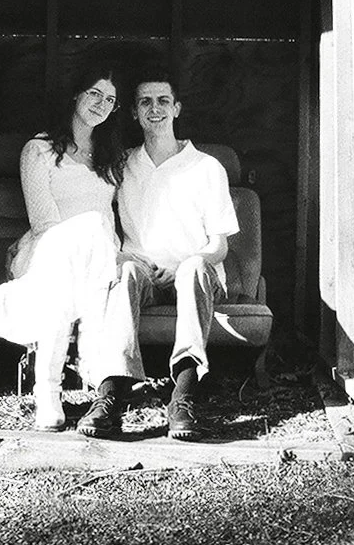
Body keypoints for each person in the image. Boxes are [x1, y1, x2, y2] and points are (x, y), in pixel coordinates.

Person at [77, 64, 239, 442]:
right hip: (144, 273)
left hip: (195, 274)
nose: (155, 108)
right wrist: (118, 256)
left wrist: (188, 263)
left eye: (163, 100)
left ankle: (183, 394)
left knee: (195, 267)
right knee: (126, 272)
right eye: (145, 102)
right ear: (133, 112)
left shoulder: (205, 167)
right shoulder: (122, 164)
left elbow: (220, 246)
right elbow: (97, 216)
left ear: (177, 108)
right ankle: (111, 394)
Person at [0, 61, 136, 431]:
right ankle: (62, 383)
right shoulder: (40, 150)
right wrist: (89, 241)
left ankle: (50, 388)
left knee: (94, 241)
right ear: (76, 94)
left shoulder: (111, 156)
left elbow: (117, 219)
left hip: (99, 258)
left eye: (110, 99)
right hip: (47, 251)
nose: (101, 103)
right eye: (94, 93)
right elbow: (43, 222)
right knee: (84, 240)